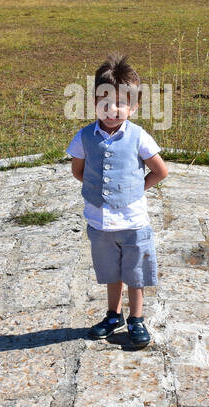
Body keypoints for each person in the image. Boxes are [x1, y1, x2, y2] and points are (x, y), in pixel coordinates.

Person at [67, 53, 169, 349]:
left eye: (120, 104)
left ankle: (136, 318)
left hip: (133, 221)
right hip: (100, 221)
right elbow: (79, 171)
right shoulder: (84, 137)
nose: (112, 111)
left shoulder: (139, 137)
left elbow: (160, 171)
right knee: (112, 271)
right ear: (94, 103)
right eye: (105, 103)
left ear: (134, 107)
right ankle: (114, 315)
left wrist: (136, 190)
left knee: (134, 273)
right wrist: (99, 189)